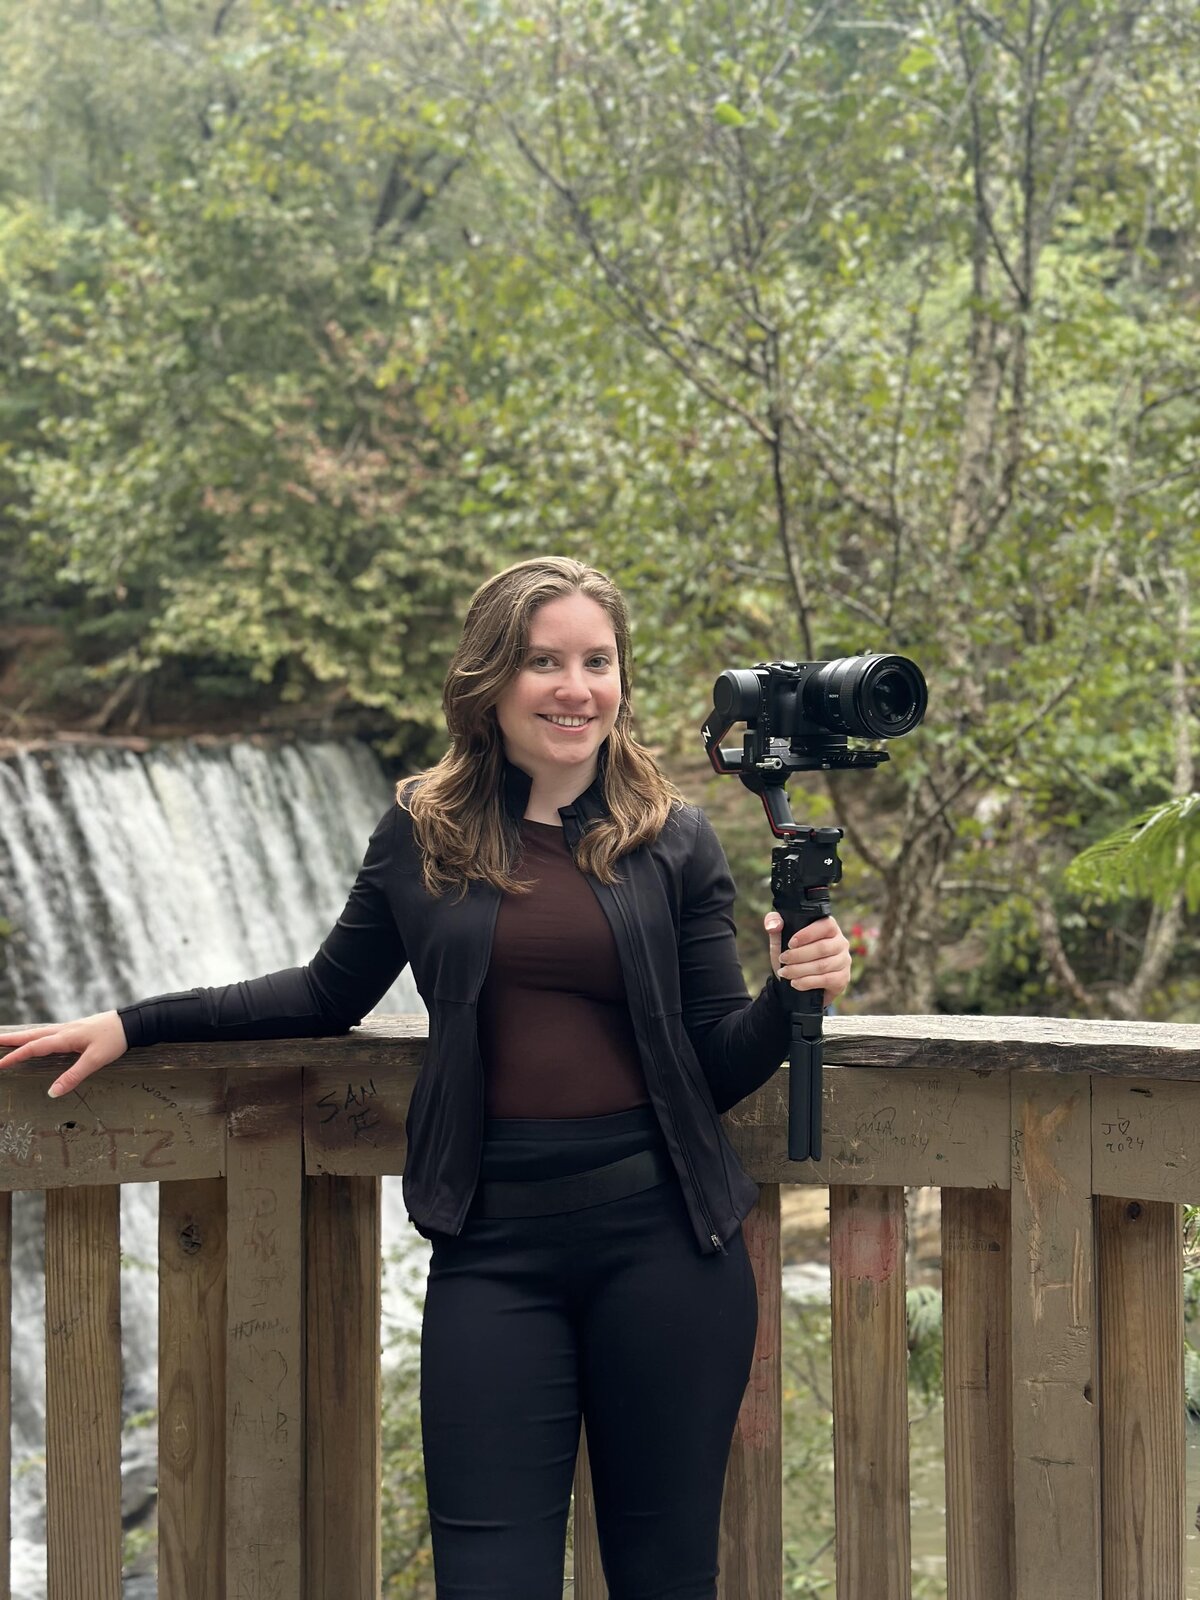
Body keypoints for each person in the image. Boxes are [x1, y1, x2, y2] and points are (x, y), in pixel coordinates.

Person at [1, 557, 851, 1600]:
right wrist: (134, 1024)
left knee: (665, 1576)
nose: (574, 687)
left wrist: (792, 993)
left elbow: (716, 1059)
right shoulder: (424, 829)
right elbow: (322, 994)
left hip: (668, 1244)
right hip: (493, 1250)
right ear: (491, 677)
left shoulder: (671, 838)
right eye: (544, 661)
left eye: (597, 660)